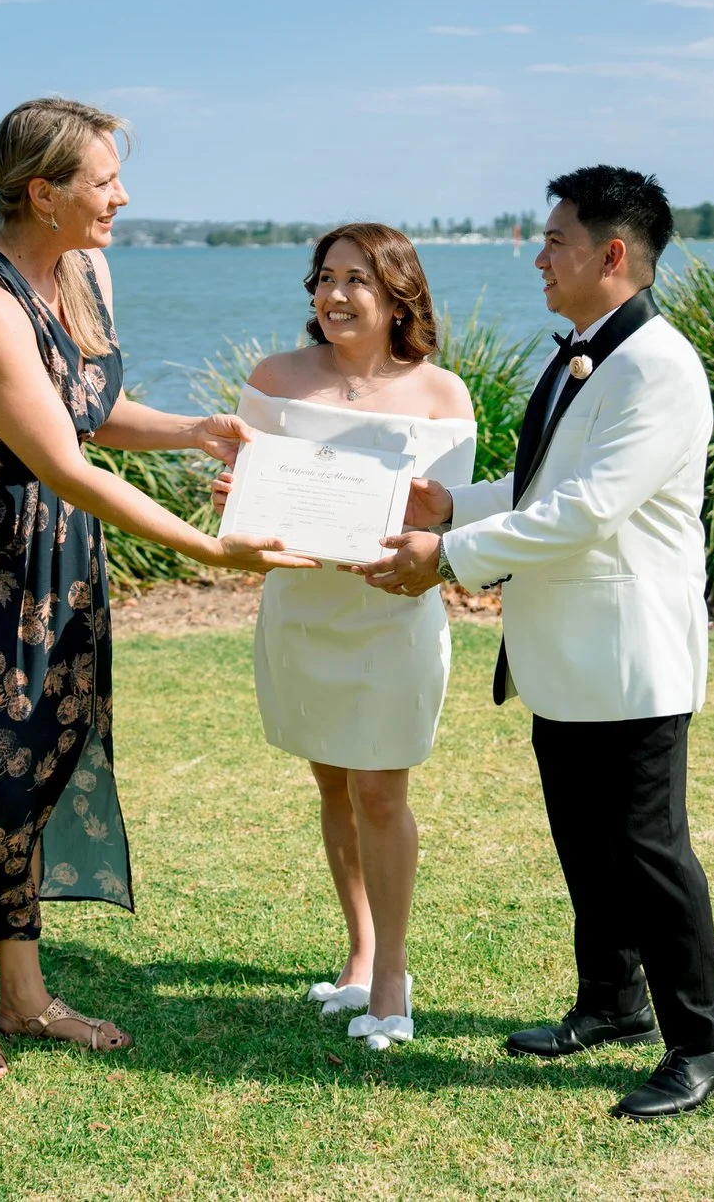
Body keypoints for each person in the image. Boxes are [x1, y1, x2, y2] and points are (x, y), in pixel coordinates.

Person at [0, 97, 314, 1082]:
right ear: (42, 193)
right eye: (103, 180)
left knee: (42, 763)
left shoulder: (81, 268)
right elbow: (64, 461)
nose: (122, 196)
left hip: (57, 561)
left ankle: (28, 997)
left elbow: (88, 408)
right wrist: (211, 553)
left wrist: (192, 430)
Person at [359, 166, 714, 1118]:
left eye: (555, 240)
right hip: (564, 653)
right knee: (586, 841)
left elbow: (588, 510)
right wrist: (454, 502)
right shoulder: (586, 352)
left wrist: (445, 552)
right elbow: (542, 488)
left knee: (651, 853)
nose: (539, 255)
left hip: (629, 656)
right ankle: (613, 1002)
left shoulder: (658, 366)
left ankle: (703, 1042)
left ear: (613, 255)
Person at [212, 224, 475, 1051]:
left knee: (380, 792)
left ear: (399, 295)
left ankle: (392, 976)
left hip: (390, 614)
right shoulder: (274, 380)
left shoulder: (443, 395)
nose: (334, 295)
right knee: (333, 783)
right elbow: (243, 505)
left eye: (357, 279)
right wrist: (239, 503)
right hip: (302, 611)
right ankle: (359, 950)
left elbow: (446, 522)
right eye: (324, 278)